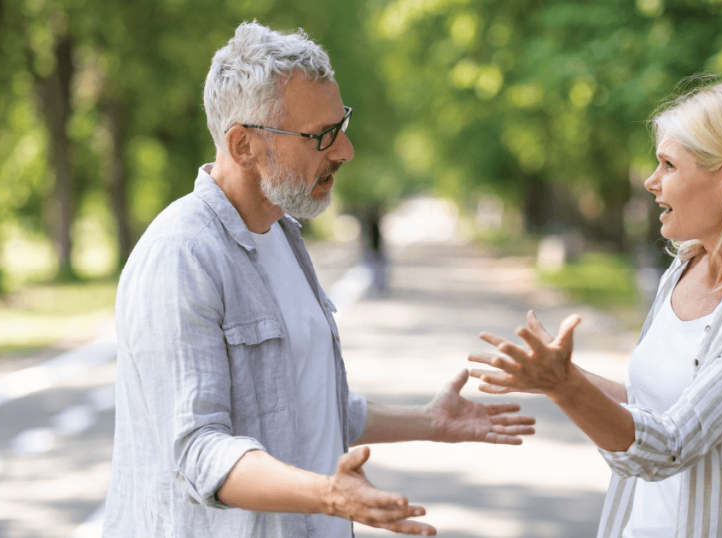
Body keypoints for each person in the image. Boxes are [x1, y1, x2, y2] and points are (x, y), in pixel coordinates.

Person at [102, 21, 535, 538]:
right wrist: (329, 494)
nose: (345, 151)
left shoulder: (282, 233)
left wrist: (429, 423)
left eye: (341, 124)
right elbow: (198, 451)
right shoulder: (182, 254)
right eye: (321, 136)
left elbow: (306, 403)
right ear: (244, 146)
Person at [469, 82, 722, 538]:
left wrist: (565, 387)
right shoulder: (683, 269)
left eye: (668, 164)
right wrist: (555, 375)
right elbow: (651, 405)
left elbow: (670, 444)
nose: (651, 181)